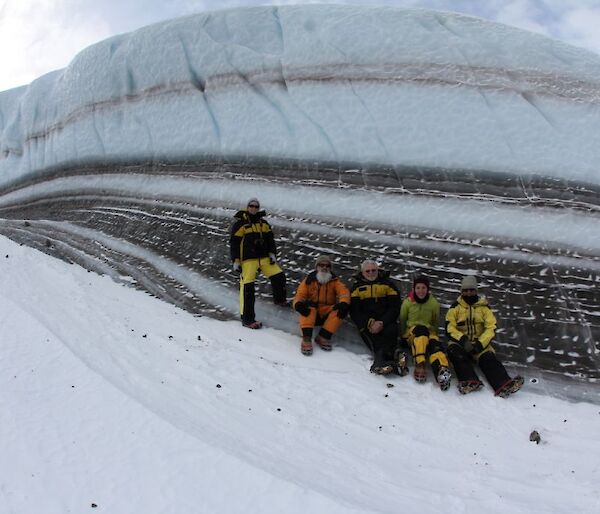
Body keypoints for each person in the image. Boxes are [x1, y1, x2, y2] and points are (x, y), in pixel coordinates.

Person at [445, 275, 524, 397]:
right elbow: (449, 327)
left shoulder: (484, 308)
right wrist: (463, 340)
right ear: (461, 292)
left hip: (479, 344)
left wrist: (480, 344)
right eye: (465, 291)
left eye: (471, 290)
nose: (469, 293)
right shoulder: (455, 307)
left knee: (489, 359)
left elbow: (491, 327)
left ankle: (503, 384)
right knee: (456, 354)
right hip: (460, 343)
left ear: (476, 291)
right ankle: (469, 380)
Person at [229, 197, 287, 329]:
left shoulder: (264, 223)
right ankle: (248, 319)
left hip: (264, 258)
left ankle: (280, 300)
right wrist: (236, 260)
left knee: (279, 276)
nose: (254, 208)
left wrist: (272, 253)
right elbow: (234, 243)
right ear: (247, 206)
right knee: (247, 288)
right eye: (251, 206)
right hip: (249, 260)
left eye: (256, 206)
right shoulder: (240, 224)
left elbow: (270, 240)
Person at [349, 260, 407, 375]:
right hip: (367, 326)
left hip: (386, 322)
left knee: (390, 334)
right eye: (368, 271)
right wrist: (370, 323)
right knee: (375, 341)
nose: (371, 273)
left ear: (378, 270)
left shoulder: (388, 285)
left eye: (373, 270)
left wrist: (382, 322)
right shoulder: (356, 289)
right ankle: (393, 360)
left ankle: (383, 363)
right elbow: (355, 311)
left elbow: (395, 307)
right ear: (362, 272)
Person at [400, 276, 452, 391]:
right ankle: (420, 364)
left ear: (427, 289)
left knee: (434, 344)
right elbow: (403, 320)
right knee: (421, 331)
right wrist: (402, 336)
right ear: (414, 289)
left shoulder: (433, 303)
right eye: (418, 288)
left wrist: (434, 336)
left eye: (423, 288)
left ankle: (441, 369)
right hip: (412, 332)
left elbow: (435, 321)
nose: (421, 291)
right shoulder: (408, 302)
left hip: (428, 331)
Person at [292, 255, 351, 355]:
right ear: (317, 267)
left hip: (327, 313)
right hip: (312, 313)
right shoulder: (309, 280)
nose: (324, 267)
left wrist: (344, 302)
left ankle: (323, 337)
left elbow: (344, 293)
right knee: (307, 306)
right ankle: (306, 339)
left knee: (341, 309)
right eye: (321, 265)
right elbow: (299, 295)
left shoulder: (335, 281)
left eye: (327, 266)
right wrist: (297, 304)